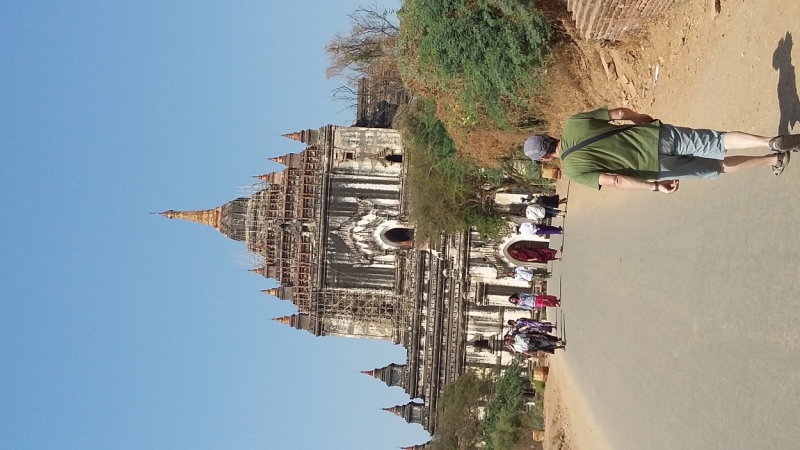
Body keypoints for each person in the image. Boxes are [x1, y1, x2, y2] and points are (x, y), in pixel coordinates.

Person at [522, 107, 800, 192]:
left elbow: (615, 180)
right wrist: (639, 119)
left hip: (655, 168)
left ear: (545, 158)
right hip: (655, 135)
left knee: (717, 166)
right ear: (548, 135)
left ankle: (772, 159)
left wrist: (654, 187)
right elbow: (618, 112)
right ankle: (769, 141)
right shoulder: (573, 122)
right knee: (719, 141)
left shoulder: (572, 170)